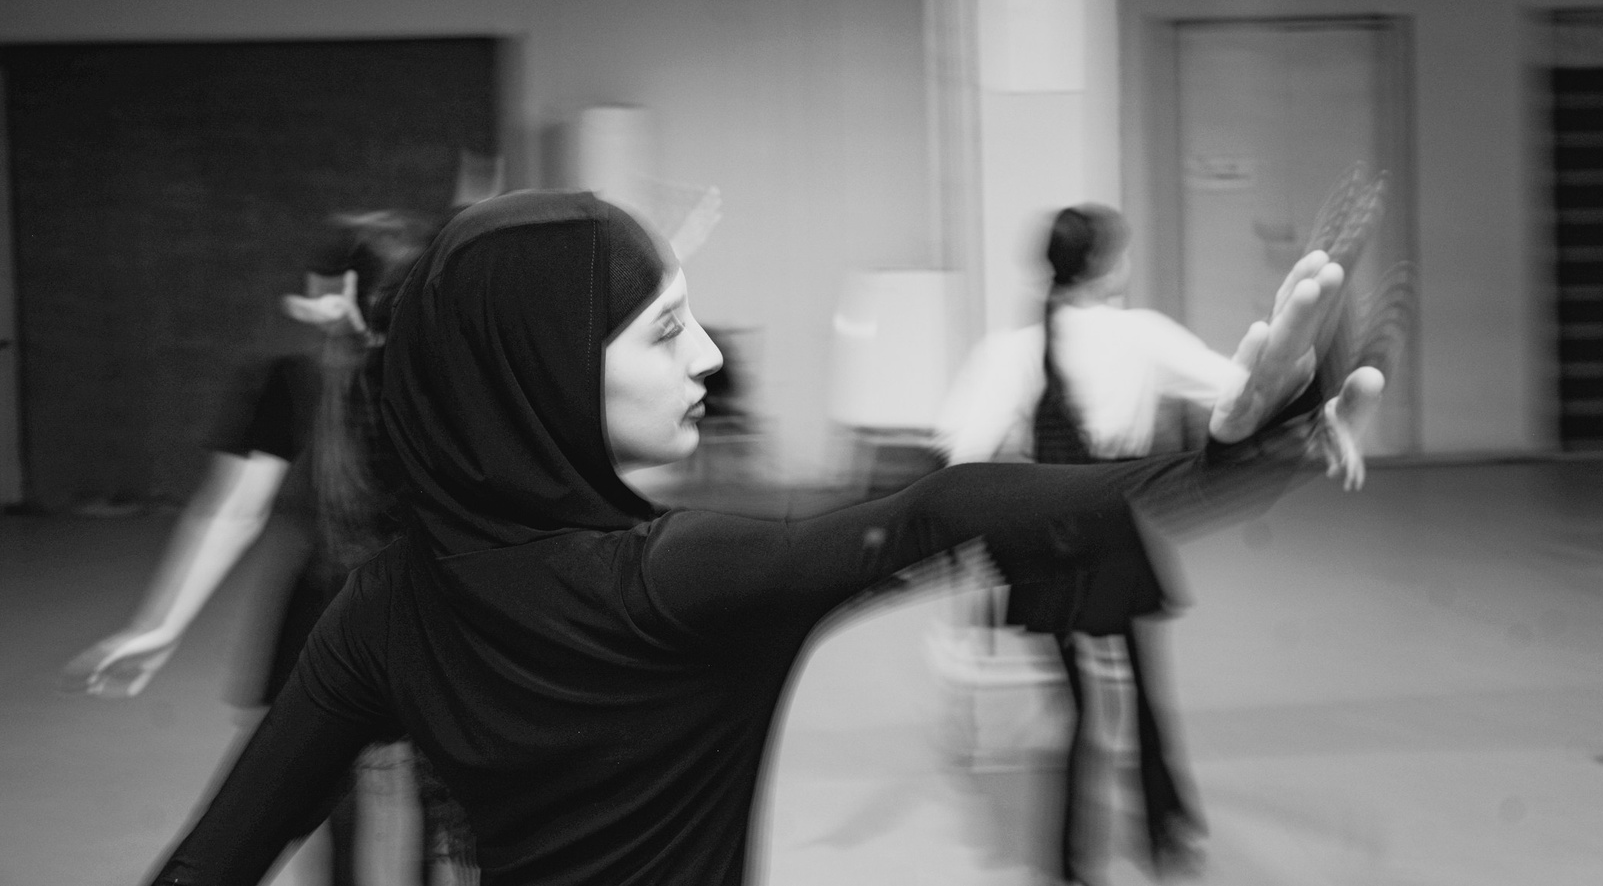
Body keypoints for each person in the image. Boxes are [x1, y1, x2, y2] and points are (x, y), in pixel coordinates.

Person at [142, 189, 1386, 886]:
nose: (708, 355)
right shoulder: (680, 582)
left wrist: (1223, 454)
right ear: (547, 375)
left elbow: (213, 861)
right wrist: (1224, 452)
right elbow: (942, 511)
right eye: (664, 329)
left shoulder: (384, 605)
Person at [64, 211, 438, 884]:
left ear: (337, 294)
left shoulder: (301, 378)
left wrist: (160, 625)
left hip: (336, 621)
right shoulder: (442, 381)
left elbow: (232, 508)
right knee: (435, 811)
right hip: (432, 619)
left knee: (314, 803)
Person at [937, 204, 1262, 882]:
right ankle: (1166, 829)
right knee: (1140, 687)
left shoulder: (1012, 349)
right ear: (1105, 266)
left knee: (1079, 706)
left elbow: (961, 452)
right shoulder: (1141, 335)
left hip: (1041, 535)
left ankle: (1070, 862)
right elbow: (1237, 391)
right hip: (1111, 529)